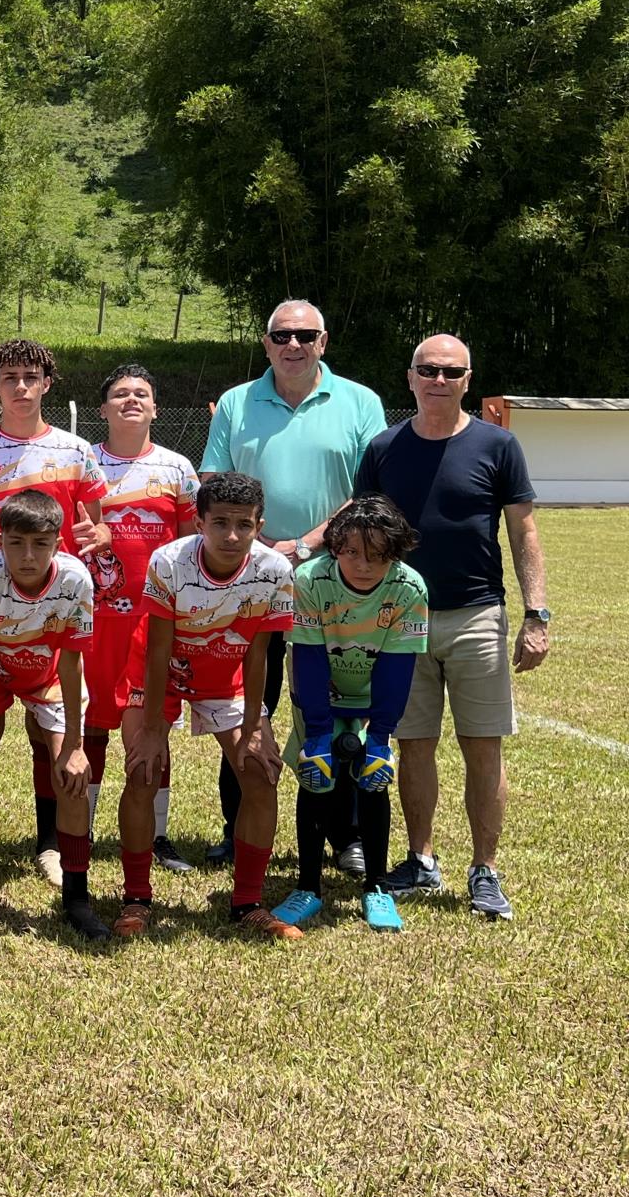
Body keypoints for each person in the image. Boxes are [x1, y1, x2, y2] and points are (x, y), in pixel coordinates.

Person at [352, 334, 547, 920]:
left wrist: (536, 614)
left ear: (468, 378)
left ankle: (485, 871)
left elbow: (524, 532)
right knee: (413, 746)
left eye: (450, 371)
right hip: (400, 620)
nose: (438, 380)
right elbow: (361, 532)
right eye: (427, 370)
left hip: (476, 615)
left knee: (482, 746)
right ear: (409, 378)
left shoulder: (499, 445)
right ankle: (421, 859)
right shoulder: (383, 448)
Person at [199, 300, 384, 865]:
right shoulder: (236, 402)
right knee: (247, 706)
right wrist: (253, 545)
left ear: (323, 341)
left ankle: (345, 835)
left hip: (333, 579)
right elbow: (213, 482)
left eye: (306, 335)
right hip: (249, 577)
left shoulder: (360, 401)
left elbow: (370, 493)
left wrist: (305, 544)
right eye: (283, 335)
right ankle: (239, 828)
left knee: (338, 705)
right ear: (267, 342)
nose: (294, 344)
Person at [0, 338, 108, 889]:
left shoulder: (76, 450)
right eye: (10, 376)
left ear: (46, 384)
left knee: (52, 738)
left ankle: (48, 844)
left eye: (30, 376)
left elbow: (99, 523)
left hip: (52, 613)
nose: (20, 386)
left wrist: (100, 533)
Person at [123, 472, 297, 940]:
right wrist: (155, 725)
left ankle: (247, 904)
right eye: (220, 523)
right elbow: (158, 648)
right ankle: (136, 898)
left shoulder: (274, 571)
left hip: (228, 675)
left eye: (244, 524)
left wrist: (256, 724)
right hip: (160, 672)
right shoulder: (169, 561)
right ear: (199, 522)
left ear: (260, 526)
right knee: (142, 770)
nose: (232, 535)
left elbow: (261, 652)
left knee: (261, 776)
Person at [0, 490, 102, 938]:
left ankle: (77, 897)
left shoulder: (76, 580)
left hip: (46, 674)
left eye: (40, 544)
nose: (27, 556)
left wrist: (73, 747)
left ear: (58, 542)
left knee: (71, 780)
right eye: (15, 543)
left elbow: (72, 663)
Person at [271, 495, 429, 934]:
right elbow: (308, 658)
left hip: (375, 694)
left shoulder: (410, 587)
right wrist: (318, 734)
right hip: (318, 692)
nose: (363, 565)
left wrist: (380, 738)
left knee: (373, 778)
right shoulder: (309, 579)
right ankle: (307, 887)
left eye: (377, 555)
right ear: (335, 546)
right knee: (316, 775)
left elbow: (398, 670)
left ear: (395, 554)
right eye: (353, 552)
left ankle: (376, 888)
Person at [86, 364, 198, 871]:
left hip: (154, 622)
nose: (131, 400)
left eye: (142, 394)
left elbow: (194, 544)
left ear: (155, 408)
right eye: (120, 394)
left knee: (153, 725)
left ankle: (157, 835)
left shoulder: (177, 469)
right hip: (93, 619)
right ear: (104, 408)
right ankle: (78, 829)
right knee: (88, 728)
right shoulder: (83, 463)